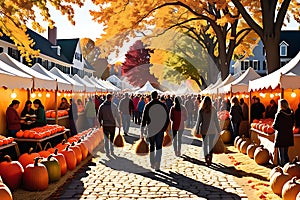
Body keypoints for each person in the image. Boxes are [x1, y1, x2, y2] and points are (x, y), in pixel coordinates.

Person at [140, 91, 169, 171]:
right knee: (159, 147)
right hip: (160, 129)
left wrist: (142, 131)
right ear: (157, 96)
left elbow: (143, 119)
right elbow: (167, 118)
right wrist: (165, 128)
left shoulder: (148, 105)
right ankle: (157, 164)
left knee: (152, 146)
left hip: (151, 129)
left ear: (151, 97)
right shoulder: (163, 105)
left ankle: (152, 162)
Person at [195, 96, 221, 166]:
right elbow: (216, 121)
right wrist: (219, 129)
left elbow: (199, 121)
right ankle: (210, 158)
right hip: (212, 130)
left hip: (204, 129)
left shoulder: (201, 110)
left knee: (205, 144)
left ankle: (206, 158)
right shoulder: (214, 110)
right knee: (211, 144)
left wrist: (197, 130)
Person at [98, 93, 121, 158]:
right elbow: (118, 116)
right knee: (111, 138)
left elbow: (99, 116)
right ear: (111, 98)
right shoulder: (114, 106)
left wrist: (99, 123)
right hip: (112, 125)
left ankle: (107, 152)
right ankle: (111, 150)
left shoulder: (102, 106)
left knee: (106, 139)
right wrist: (119, 123)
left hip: (105, 124)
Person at [273, 99, 294, 166]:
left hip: (281, 135)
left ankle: (283, 167)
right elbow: (292, 124)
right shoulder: (291, 114)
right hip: (288, 135)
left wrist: (279, 128)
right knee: (285, 152)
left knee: (281, 153)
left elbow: (275, 126)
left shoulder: (279, 114)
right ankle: (287, 166)